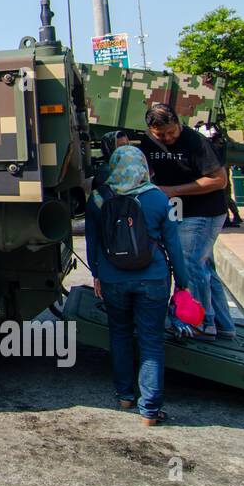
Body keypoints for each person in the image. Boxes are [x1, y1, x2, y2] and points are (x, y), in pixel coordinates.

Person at [86, 144, 191, 426]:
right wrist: (182, 282)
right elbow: (174, 246)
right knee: (151, 341)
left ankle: (124, 396)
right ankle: (150, 411)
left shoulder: (97, 199)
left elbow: (92, 244)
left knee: (119, 334)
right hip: (153, 279)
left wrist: (97, 274)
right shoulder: (158, 198)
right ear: (143, 166)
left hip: (112, 279)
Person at [138, 103, 236, 341]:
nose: (168, 138)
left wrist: (174, 190)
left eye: (172, 132)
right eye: (161, 134)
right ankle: (223, 324)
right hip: (182, 213)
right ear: (151, 130)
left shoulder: (195, 142)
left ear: (179, 123)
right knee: (204, 268)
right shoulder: (148, 143)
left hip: (205, 211)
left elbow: (218, 180)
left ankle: (200, 323)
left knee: (190, 264)